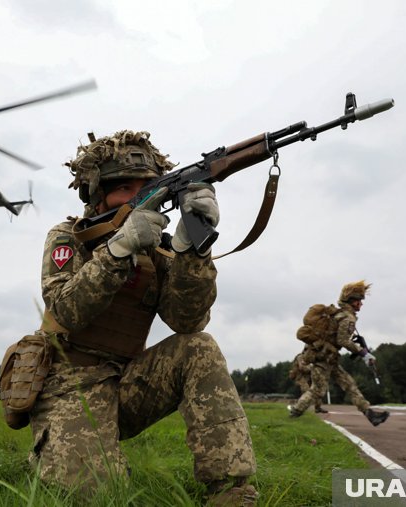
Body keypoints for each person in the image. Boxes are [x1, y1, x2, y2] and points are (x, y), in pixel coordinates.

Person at [29, 130, 256, 503]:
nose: (137, 198)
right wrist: (117, 250)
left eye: (147, 188)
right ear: (98, 193)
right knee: (95, 495)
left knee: (198, 347)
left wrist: (190, 250)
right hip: (70, 386)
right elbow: (65, 310)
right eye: (124, 189)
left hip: (129, 383)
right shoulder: (69, 237)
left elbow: (187, 321)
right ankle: (52, 446)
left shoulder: (158, 249)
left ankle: (229, 489)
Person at [288, 281, 389, 426]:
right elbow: (342, 341)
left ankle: (370, 414)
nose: (361, 304)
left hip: (329, 358)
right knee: (317, 390)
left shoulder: (339, 315)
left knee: (349, 384)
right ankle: (294, 413)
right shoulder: (347, 318)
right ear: (352, 301)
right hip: (324, 359)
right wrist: (363, 352)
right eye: (359, 301)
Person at [288, 349, 327, 413]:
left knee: (317, 390)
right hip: (300, 377)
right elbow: (302, 368)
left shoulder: (311, 358)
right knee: (306, 391)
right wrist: (312, 367)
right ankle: (297, 407)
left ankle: (318, 407)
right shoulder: (300, 357)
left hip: (308, 376)